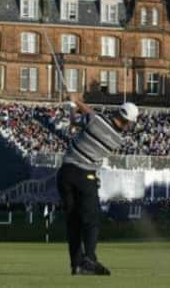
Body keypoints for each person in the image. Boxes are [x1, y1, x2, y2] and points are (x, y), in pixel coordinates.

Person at [56, 97, 139, 276]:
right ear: (127, 122)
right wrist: (76, 105)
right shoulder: (117, 140)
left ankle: (76, 264)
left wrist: (74, 104)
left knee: (73, 221)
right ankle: (90, 260)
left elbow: (78, 119)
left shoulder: (98, 120)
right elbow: (87, 117)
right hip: (84, 175)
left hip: (65, 173)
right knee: (91, 219)